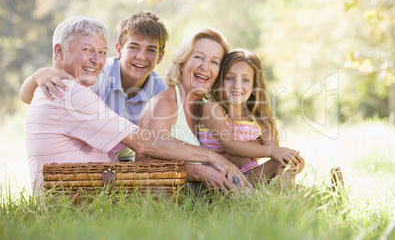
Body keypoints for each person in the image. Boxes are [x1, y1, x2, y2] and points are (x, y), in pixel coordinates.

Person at [25, 16, 248, 192]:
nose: (96, 59)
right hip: (74, 196)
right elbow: (143, 143)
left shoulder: (157, 88)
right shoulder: (70, 90)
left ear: (160, 56)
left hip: (88, 185)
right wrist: (209, 158)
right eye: (86, 50)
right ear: (58, 51)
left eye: (101, 52)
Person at [21, 11, 169, 161]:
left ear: (160, 56)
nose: (141, 56)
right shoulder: (94, 75)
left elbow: (154, 143)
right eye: (134, 47)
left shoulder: (160, 92)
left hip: (125, 159)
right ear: (119, 50)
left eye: (150, 50)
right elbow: (30, 97)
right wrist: (38, 75)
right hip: (89, 157)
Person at [138, 28, 244, 192]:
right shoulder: (164, 104)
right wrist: (198, 172)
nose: (205, 66)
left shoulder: (210, 110)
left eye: (214, 61)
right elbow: (143, 162)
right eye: (198, 57)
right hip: (169, 205)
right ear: (182, 63)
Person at [198, 49, 305, 186]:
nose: (237, 86)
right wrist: (272, 151)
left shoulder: (258, 120)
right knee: (282, 164)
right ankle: (287, 197)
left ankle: (289, 198)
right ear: (220, 82)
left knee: (284, 163)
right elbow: (229, 145)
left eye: (245, 80)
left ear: (254, 86)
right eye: (230, 78)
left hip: (250, 177)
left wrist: (295, 162)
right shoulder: (213, 108)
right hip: (223, 179)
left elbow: (278, 154)